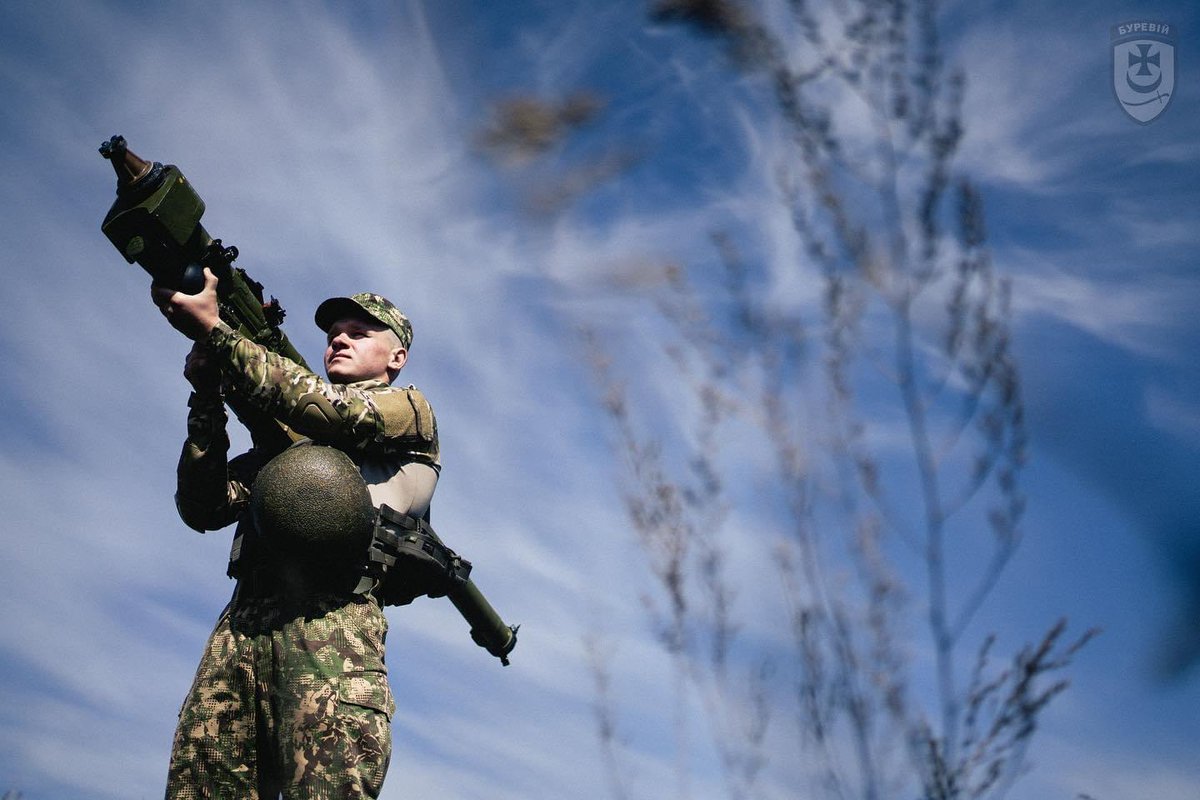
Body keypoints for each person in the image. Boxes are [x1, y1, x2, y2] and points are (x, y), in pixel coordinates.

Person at [152, 267, 439, 799]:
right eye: (334, 333)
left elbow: (328, 411)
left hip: (333, 631)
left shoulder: (409, 411)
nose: (339, 339)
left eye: (359, 332)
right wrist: (207, 400)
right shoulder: (292, 446)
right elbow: (203, 505)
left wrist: (217, 333)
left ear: (396, 357)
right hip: (241, 630)